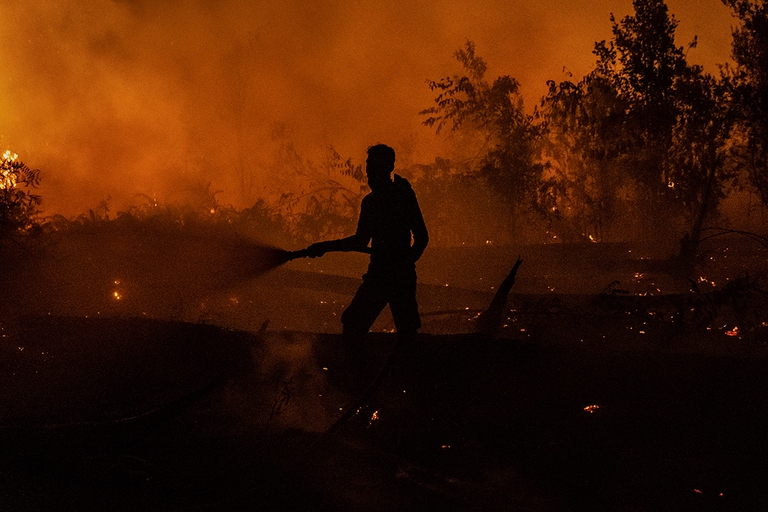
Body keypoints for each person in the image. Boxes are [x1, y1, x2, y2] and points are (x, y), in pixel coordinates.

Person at [302, 144, 428, 354]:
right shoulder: (370, 203)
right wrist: (325, 246)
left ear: (388, 166)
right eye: (368, 166)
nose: (368, 171)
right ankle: (362, 374)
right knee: (353, 323)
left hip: (398, 277)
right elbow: (360, 241)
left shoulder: (402, 196)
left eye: (373, 166)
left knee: (406, 333)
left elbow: (422, 237)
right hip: (378, 275)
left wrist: (405, 263)